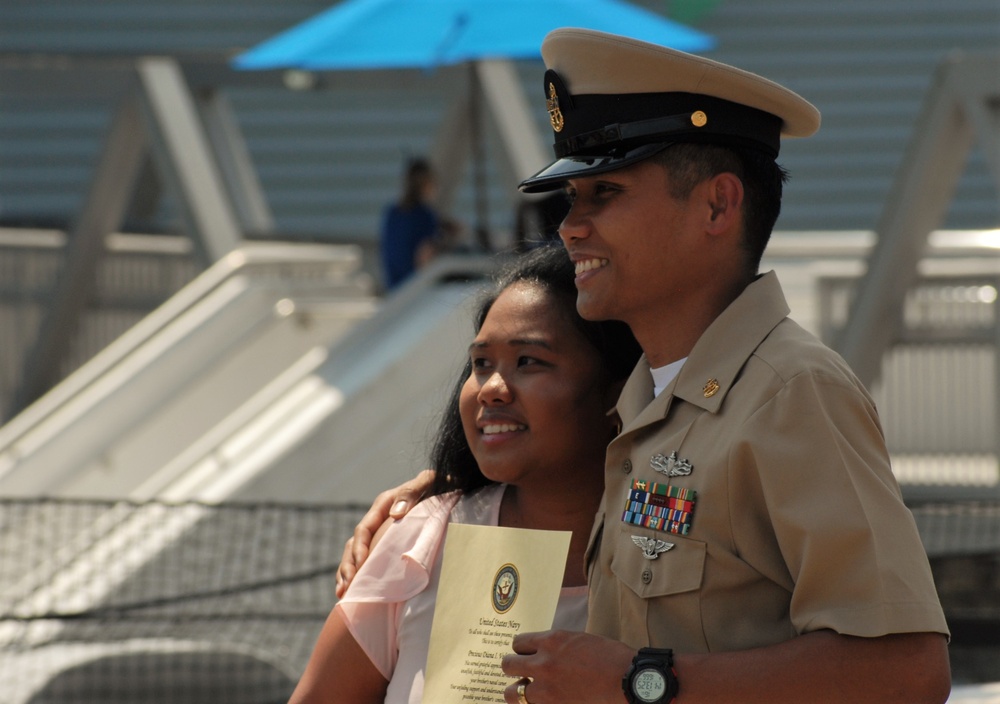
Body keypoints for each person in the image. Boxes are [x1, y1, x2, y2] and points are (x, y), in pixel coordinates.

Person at [338, 28, 952, 704]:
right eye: (573, 199)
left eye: (605, 193)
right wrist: (433, 495)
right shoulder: (649, 396)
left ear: (718, 204)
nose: (571, 226)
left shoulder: (791, 392)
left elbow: (905, 670)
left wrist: (641, 683)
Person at [289, 243, 641, 703]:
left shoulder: (674, 553)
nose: (492, 389)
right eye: (481, 363)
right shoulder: (422, 538)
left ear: (617, 392)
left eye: (528, 361)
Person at [379, 157, 458, 290]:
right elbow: (424, 257)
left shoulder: (392, 213)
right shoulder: (425, 215)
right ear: (427, 185)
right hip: (412, 291)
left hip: (393, 287)